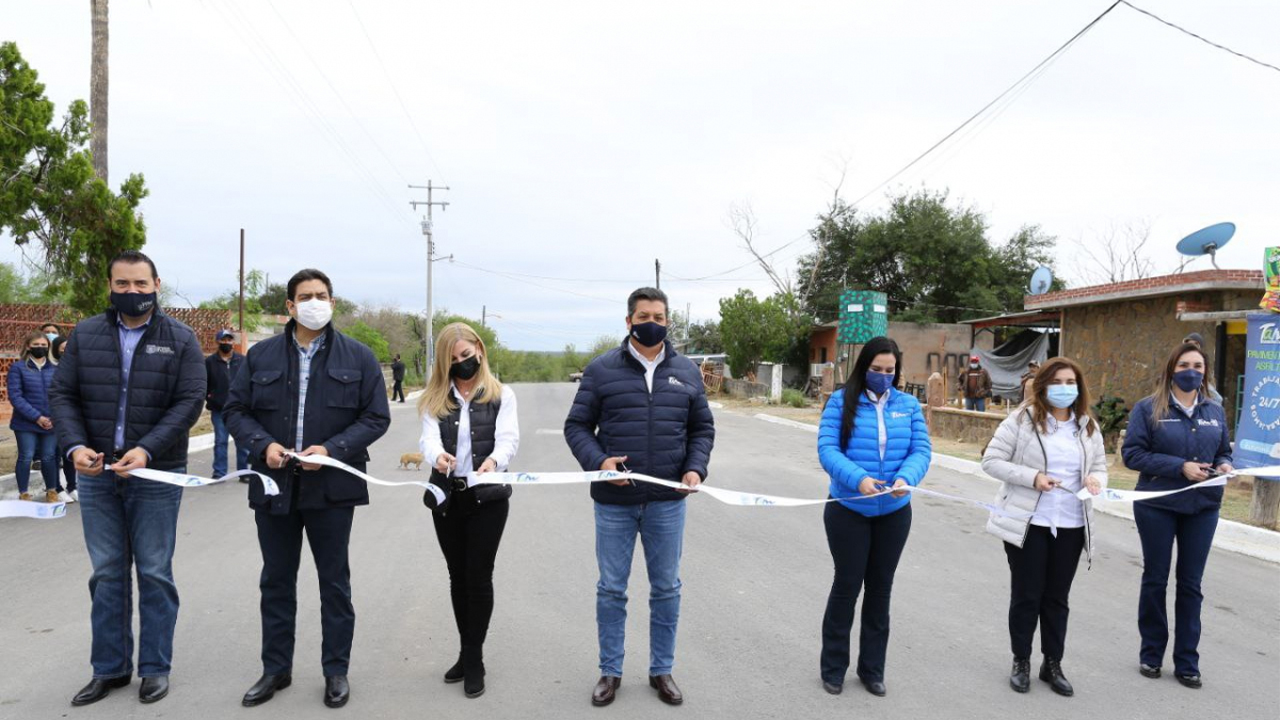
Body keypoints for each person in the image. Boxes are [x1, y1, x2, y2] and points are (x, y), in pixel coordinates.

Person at [224, 268, 390, 710]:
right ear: (290, 306)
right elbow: (235, 410)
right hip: (274, 484)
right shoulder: (259, 356)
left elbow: (376, 418)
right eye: (305, 296)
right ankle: (275, 669)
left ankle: (336, 670)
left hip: (332, 487)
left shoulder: (358, 357)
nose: (314, 301)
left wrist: (332, 449)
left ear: (332, 302)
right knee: (276, 580)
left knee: (334, 583)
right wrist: (264, 446)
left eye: (321, 295)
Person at [49, 250, 206, 707]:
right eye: (122, 284)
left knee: (155, 572)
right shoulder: (86, 335)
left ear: (157, 285)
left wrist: (148, 449)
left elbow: (189, 401)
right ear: (110, 286)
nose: (131, 292)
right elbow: (63, 394)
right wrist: (75, 446)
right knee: (106, 574)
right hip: (97, 473)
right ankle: (110, 669)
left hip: (156, 472)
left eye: (140, 284)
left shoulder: (180, 339)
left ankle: (155, 668)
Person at [565, 287, 715, 708]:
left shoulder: (687, 371)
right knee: (611, 589)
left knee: (666, 588)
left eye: (661, 317)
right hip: (614, 504)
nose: (653, 323)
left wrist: (695, 467)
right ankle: (610, 671)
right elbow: (576, 427)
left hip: (667, 502)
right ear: (629, 321)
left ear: (668, 322)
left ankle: (661, 669)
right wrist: (599, 461)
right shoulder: (601, 370)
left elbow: (702, 429)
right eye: (644, 315)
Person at [982, 357, 1107, 697]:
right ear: (1043, 385)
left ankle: (1052, 663)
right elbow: (991, 461)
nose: (1065, 388)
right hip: (1029, 522)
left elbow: (1100, 466)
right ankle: (1020, 660)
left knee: (1057, 598)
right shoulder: (1020, 421)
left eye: (1071, 382)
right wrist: (1032, 477)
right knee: (1027, 595)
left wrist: (1095, 479)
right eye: (1058, 381)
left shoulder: (1087, 426)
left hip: (1070, 523)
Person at [816, 336, 931, 697]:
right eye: (876, 370)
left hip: (894, 512)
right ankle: (833, 668)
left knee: (880, 590)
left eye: (890, 371)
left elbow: (921, 450)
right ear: (864, 367)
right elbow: (827, 449)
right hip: (848, 508)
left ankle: (872, 670)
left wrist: (906, 478)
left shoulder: (909, 405)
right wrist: (858, 479)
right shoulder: (839, 402)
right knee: (847, 586)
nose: (883, 376)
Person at [1122, 342, 1232, 690]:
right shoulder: (1149, 409)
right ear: (1171, 369)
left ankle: (1187, 662)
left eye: (1198, 365)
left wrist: (1225, 465)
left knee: (1191, 584)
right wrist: (1178, 467)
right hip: (1157, 504)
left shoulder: (1215, 411)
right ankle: (1151, 654)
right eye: (1184, 364)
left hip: (1203, 508)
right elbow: (1133, 455)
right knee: (1156, 578)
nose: (1192, 371)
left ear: (1205, 372)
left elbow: (1223, 451)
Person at [418, 323, 519, 699]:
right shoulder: (434, 398)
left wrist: (494, 461)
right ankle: (465, 650)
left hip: (487, 498)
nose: (463, 363)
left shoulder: (500, 394)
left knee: (479, 576)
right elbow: (428, 439)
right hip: (447, 497)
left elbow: (509, 439)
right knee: (457, 576)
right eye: (454, 359)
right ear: (444, 363)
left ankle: (474, 659)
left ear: (479, 348)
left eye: (467, 354)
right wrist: (437, 456)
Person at [8, 332, 62, 503]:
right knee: (26, 455)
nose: (40, 348)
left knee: (49, 456)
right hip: (25, 423)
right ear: (28, 346)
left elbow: (61, 395)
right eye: (36, 345)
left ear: (48, 347)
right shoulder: (18, 368)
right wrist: (37, 417)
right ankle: (23, 492)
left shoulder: (55, 369)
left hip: (51, 422)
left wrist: (53, 417)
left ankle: (52, 490)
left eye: (44, 345)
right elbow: (15, 396)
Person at [205, 328, 249, 480]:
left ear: (233, 342)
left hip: (239, 409)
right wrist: (210, 398)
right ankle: (219, 472)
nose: (226, 343)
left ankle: (243, 473)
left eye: (229, 340)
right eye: (223, 340)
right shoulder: (210, 362)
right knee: (220, 442)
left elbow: (248, 382)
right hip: (219, 410)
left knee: (242, 442)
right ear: (218, 342)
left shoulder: (242, 360)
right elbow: (205, 383)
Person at [50, 335, 78, 501]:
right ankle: (57, 488)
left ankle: (72, 486)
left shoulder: (77, 367)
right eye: (62, 347)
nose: (65, 350)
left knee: (70, 454)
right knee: (54, 455)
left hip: (73, 419)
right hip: (53, 418)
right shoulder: (51, 368)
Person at [1179, 333, 1223, 404]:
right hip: (1183, 381)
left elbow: (1208, 375)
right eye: (1188, 344)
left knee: (1217, 398)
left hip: (1199, 382)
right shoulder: (1179, 356)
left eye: (1194, 344)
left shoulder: (1203, 358)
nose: (1191, 347)